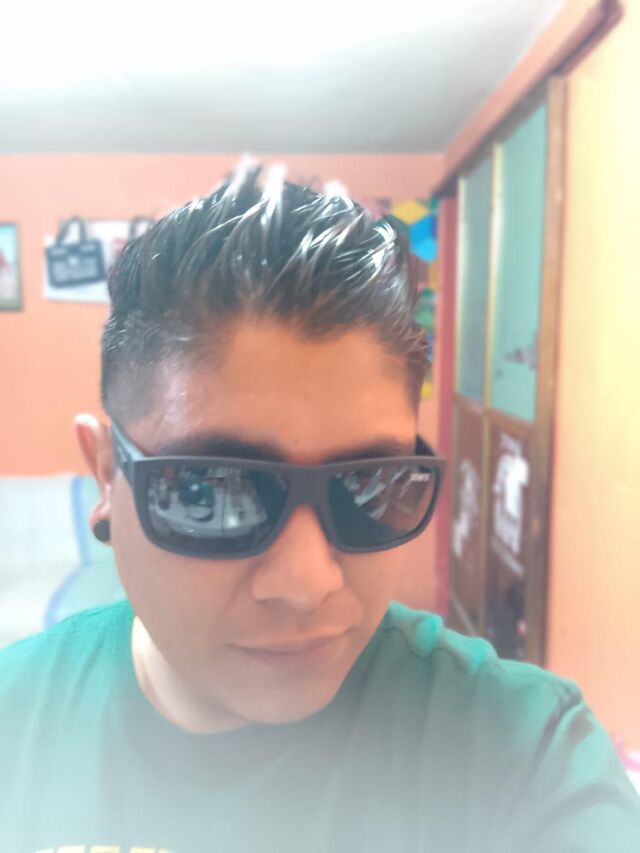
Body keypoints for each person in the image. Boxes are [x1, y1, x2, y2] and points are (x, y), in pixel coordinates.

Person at [1, 164, 639, 853]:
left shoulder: (525, 751)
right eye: (207, 491)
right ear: (106, 473)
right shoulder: (16, 717)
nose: (308, 583)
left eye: (368, 485)